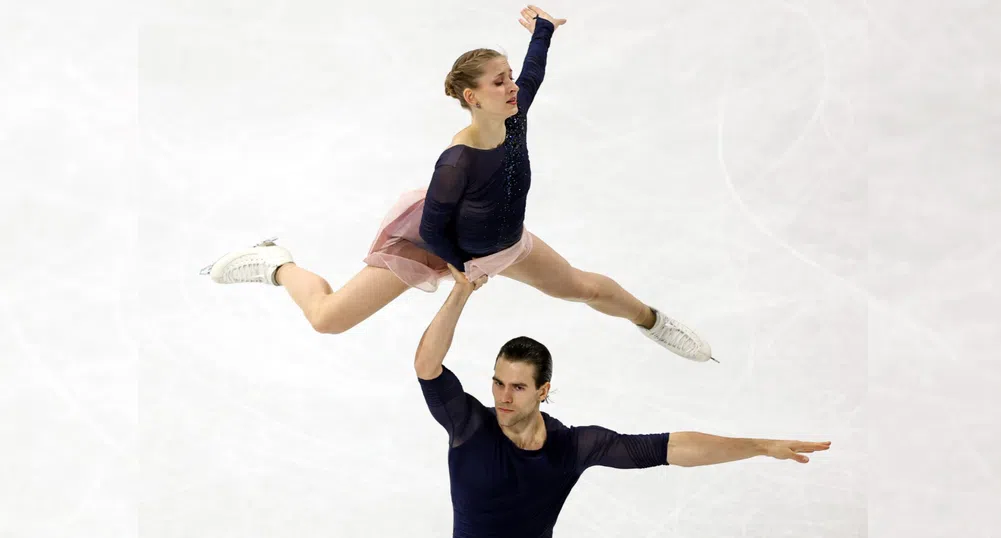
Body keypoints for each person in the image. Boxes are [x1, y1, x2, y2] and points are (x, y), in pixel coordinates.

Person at [199, 6, 714, 363]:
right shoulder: (457, 162)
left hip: (504, 242)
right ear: (473, 97)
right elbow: (432, 228)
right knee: (328, 319)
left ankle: (653, 322)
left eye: (508, 76)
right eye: (499, 81)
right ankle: (277, 264)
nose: (512, 86)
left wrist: (543, 31)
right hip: (440, 247)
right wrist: (463, 270)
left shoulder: (514, 114)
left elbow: (534, 73)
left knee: (586, 288)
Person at [415, 265, 831, 537]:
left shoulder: (571, 447)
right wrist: (461, 292)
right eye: (498, 383)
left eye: (518, 387)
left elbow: (669, 448)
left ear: (543, 391)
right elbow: (427, 366)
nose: (503, 397)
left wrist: (759, 446)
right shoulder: (470, 425)